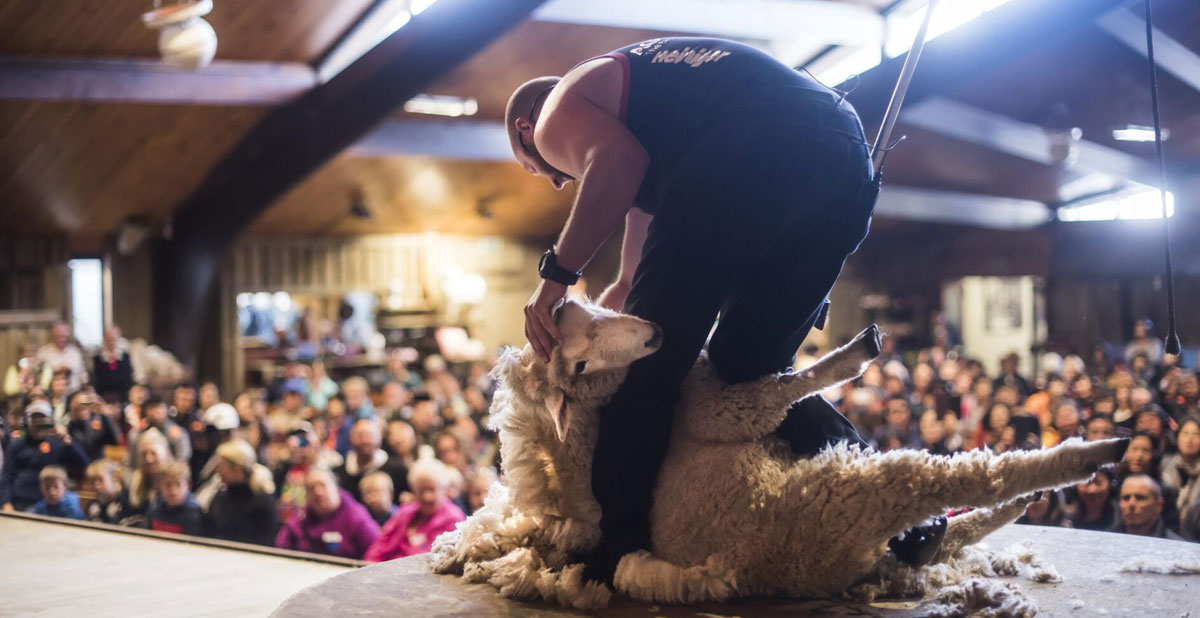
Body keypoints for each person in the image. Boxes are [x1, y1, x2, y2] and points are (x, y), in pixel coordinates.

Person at [509, 38, 884, 578]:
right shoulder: (653, 103)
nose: (555, 180)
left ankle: (616, 555)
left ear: (526, 129)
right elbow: (637, 240)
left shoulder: (556, 109)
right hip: (844, 157)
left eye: (536, 168)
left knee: (649, 373)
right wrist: (615, 299)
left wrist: (554, 281)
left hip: (749, 147)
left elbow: (616, 163)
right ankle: (889, 503)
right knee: (749, 371)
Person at [363, 455, 464, 562]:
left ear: (444, 489)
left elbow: (429, 561)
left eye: (432, 490)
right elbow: (379, 546)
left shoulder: (453, 519)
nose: (426, 497)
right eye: (421, 490)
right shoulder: (405, 512)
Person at [1, 401, 89, 511]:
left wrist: (68, 441)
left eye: (42, 419)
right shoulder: (17, 445)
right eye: (34, 419)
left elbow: (84, 463)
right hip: (20, 502)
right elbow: (7, 475)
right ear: (28, 422)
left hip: (50, 504)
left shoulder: (58, 444)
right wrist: (6, 502)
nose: (38, 423)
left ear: (50, 422)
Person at [275, 467, 379, 560]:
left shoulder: (356, 517)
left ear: (336, 488)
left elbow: (376, 552)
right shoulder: (301, 516)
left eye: (323, 485)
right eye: (311, 488)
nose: (318, 492)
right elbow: (282, 547)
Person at [205, 439, 278, 546]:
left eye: (221, 466)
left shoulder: (262, 502)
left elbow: (263, 542)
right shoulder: (221, 495)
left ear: (238, 468)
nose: (218, 471)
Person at [334, 419, 409, 504]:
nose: (365, 441)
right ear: (350, 439)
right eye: (360, 436)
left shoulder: (398, 469)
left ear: (380, 439)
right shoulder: (340, 473)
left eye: (370, 436)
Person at [1111, 474, 1185, 540]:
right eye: (1126, 498)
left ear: (1159, 505)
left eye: (1140, 498)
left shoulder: (1176, 546)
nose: (1131, 504)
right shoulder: (1107, 539)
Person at [1161, 418, 1200, 540]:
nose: (1190, 439)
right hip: (1166, 526)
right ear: (1177, 437)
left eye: (1196, 434)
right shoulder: (1163, 466)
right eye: (1185, 434)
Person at [127, 396, 191, 467]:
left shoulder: (177, 432)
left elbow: (183, 460)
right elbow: (131, 463)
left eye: (160, 408)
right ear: (146, 411)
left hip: (170, 470)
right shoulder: (137, 434)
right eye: (152, 408)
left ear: (166, 409)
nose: (156, 412)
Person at [145, 460, 204, 535]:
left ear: (188, 486)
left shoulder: (194, 513)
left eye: (178, 485)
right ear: (160, 486)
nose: (173, 492)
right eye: (168, 485)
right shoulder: (155, 507)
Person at [65, 389, 120, 461]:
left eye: (85, 405)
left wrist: (105, 415)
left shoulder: (98, 419)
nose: (82, 408)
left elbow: (115, 440)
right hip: (79, 465)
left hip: (99, 463)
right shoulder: (70, 427)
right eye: (78, 406)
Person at [37, 322, 87, 391]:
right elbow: (38, 376)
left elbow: (83, 377)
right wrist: (56, 371)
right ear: (53, 335)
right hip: (51, 392)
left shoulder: (75, 352)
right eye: (58, 336)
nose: (61, 339)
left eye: (63, 336)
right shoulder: (43, 352)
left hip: (74, 392)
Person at [92, 326, 136, 401]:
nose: (111, 342)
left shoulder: (125, 356)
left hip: (123, 396)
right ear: (104, 340)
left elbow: (130, 377)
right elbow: (96, 380)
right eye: (109, 339)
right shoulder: (97, 358)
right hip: (103, 396)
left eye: (114, 339)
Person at [83, 459, 132, 525]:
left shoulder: (129, 501)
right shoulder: (93, 505)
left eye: (101, 480)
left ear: (114, 478)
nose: (96, 486)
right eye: (92, 482)